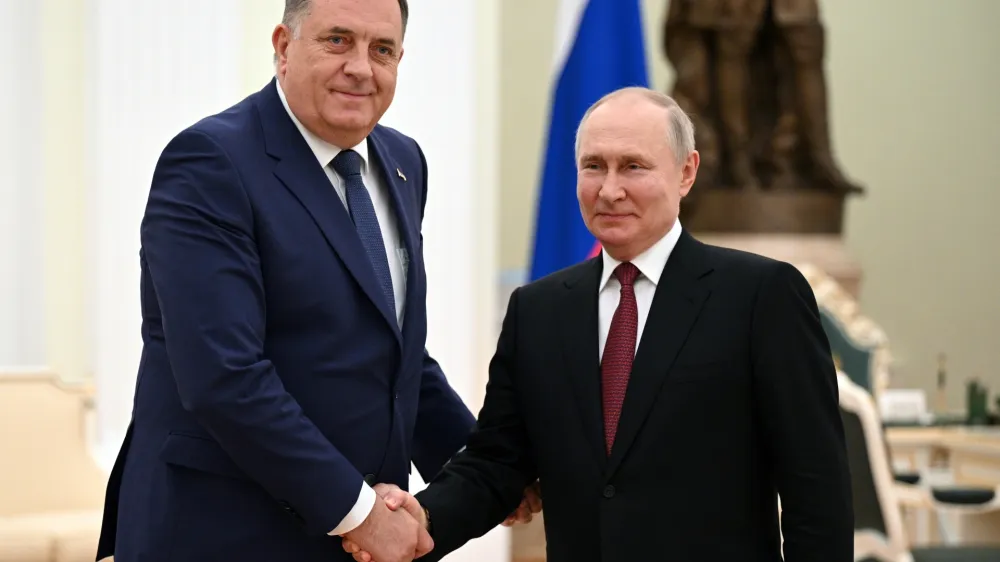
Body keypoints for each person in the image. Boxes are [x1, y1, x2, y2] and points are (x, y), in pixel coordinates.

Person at [94, 1, 537, 561]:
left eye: (382, 50)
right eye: (337, 40)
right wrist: (359, 512)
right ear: (283, 45)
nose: (361, 67)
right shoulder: (210, 162)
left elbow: (394, 357)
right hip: (224, 531)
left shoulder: (402, 161)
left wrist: (485, 466)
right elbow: (224, 376)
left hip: (354, 536)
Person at [346, 87, 854, 561]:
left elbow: (818, 489)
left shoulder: (761, 296)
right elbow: (496, 461)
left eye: (633, 166)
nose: (610, 190)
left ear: (686, 172)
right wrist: (423, 519)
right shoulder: (538, 310)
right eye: (594, 166)